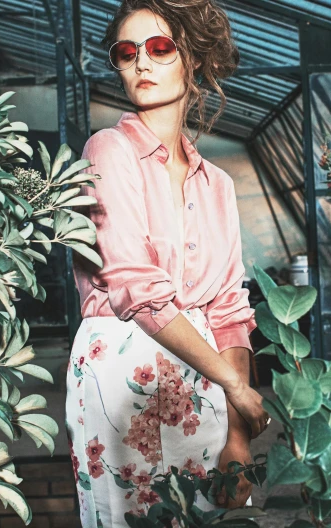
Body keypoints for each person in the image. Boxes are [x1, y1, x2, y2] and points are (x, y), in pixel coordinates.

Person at [64, 1, 270, 526]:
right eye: (126, 52)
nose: (141, 63)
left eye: (159, 48)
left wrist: (238, 438)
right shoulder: (107, 149)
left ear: (191, 59)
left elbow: (229, 309)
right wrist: (239, 388)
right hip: (121, 380)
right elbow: (133, 285)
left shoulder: (219, 186)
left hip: (207, 389)